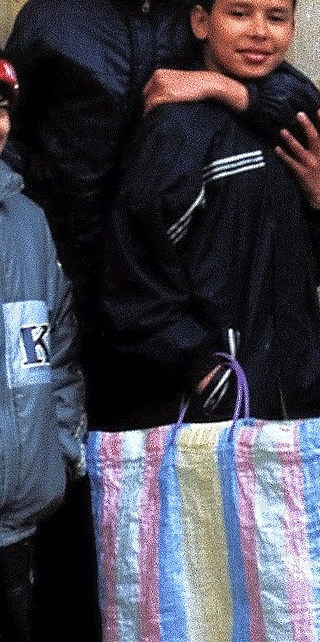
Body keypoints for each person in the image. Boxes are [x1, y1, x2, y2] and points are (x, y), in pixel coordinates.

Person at [4, 0, 320, 640]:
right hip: (71, 304)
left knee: (160, 522)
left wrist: (218, 86)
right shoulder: (54, 19)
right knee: (70, 504)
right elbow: (8, 131)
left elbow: (295, 94)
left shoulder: (210, 17)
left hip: (175, 317)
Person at [95, 0, 320, 428]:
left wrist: (319, 203)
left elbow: (299, 271)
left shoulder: (289, 129)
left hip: (288, 394)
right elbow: (130, 266)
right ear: (202, 21)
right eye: (239, 13)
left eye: (277, 17)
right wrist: (200, 366)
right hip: (209, 403)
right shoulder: (176, 129)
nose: (259, 32)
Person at [0, 54, 83, 642]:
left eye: (0, 107)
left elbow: (59, 350)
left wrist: (60, 450)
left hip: (19, 519)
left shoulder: (27, 221)